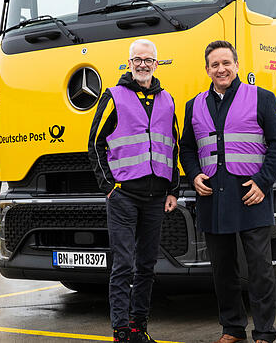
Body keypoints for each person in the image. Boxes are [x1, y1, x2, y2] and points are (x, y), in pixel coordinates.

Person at [179, 40, 276, 343]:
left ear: (237, 66)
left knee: (260, 270)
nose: (221, 69)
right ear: (207, 70)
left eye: (226, 63)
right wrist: (193, 174)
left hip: (250, 195)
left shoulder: (262, 98)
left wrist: (263, 182)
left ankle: (265, 332)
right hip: (213, 198)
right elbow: (187, 147)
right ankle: (232, 329)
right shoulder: (194, 105)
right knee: (223, 270)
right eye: (215, 64)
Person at [88, 38, 179, 343]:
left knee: (147, 266)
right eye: (137, 59)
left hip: (156, 197)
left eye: (148, 60)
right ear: (129, 63)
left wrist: (173, 190)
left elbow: (173, 146)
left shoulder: (167, 100)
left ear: (157, 63)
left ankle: (139, 327)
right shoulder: (113, 96)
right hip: (124, 196)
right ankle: (121, 331)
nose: (143, 64)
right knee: (124, 264)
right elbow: (95, 144)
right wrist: (109, 188)